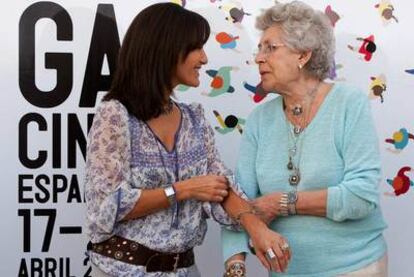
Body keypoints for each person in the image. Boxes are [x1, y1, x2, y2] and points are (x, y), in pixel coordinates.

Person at [85, 3, 290, 276]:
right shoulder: (116, 114)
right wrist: (183, 190)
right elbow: (106, 205)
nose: (204, 59)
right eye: (196, 48)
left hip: (185, 270)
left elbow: (220, 188)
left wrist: (257, 227)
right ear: (165, 49)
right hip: (122, 271)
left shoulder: (194, 118)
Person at [222, 1, 388, 276]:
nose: (259, 58)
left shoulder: (349, 103)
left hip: (355, 268)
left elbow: (361, 196)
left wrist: (281, 203)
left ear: (303, 55)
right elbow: (239, 201)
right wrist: (235, 266)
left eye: (270, 48)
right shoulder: (259, 119)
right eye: (259, 49)